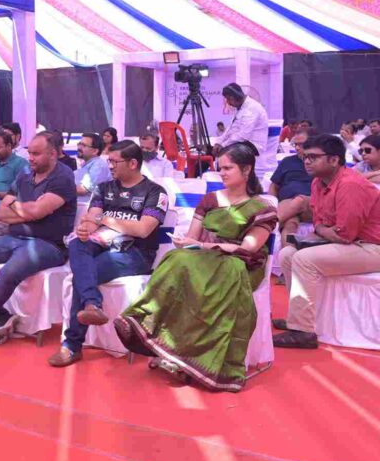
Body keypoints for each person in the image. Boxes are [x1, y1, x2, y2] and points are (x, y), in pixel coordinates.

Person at [114, 144, 277, 391]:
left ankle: (191, 357)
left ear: (247, 169)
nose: (221, 173)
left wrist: (204, 246)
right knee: (177, 259)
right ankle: (148, 326)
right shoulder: (210, 199)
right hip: (204, 257)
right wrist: (188, 244)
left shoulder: (262, 208)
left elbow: (249, 248)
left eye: (228, 168)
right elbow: (192, 237)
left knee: (204, 276)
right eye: (219, 168)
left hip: (239, 264)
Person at [49, 140, 168, 367]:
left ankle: (71, 345)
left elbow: (143, 229)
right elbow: (90, 220)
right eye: (108, 161)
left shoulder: (154, 192)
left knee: (84, 273)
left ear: (133, 163)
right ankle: (92, 305)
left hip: (135, 253)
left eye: (115, 161)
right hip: (101, 243)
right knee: (76, 245)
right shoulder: (105, 188)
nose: (110, 166)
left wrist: (103, 219)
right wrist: (86, 228)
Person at [0, 132, 77, 345]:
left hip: (49, 245)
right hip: (15, 237)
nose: (31, 158)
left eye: (37, 154)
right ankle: (0, 313)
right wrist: (25, 209)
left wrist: (19, 207)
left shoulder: (63, 176)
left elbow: (38, 211)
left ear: (52, 154)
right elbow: (1, 214)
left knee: (9, 271)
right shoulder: (24, 172)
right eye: (30, 152)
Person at [274, 134, 380, 349]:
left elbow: (344, 234)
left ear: (334, 160)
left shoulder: (350, 184)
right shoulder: (317, 182)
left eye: (313, 157)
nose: (306, 161)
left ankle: (303, 333)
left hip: (371, 247)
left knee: (304, 258)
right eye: (305, 157)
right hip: (351, 244)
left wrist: (322, 229)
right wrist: (322, 229)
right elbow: (319, 222)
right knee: (286, 255)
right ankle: (299, 318)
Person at [270, 129, 314, 240]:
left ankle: (265, 227)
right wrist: (272, 204)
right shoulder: (287, 162)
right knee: (290, 225)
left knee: (299, 200)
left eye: (301, 144)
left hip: (311, 204)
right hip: (287, 204)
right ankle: (288, 255)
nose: (297, 148)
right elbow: (274, 186)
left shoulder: (320, 162)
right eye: (295, 144)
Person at [213, 83, 268, 157]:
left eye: (229, 99)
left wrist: (223, 145)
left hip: (254, 145)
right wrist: (218, 142)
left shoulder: (252, 108)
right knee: (210, 148)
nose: (228, 103)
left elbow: (243, 135)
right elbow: (230, 129)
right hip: (241, 142)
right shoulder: (241, 108)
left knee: (223, 151)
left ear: (237, 97)